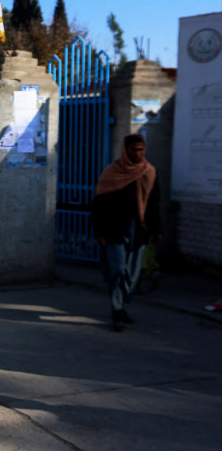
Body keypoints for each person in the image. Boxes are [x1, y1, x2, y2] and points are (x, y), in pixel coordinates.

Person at [91, 133, 162, 332]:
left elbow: (155, 203)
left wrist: (157, 229)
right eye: (134, 150)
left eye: (141, 150)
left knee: (131, 274)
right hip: (114, 230)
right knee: (118, 270)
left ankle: (121, 305)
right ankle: (116, 310)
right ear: (125, 150)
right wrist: (99, 232)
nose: (138, 154)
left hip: (138, 231)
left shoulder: (149, 172)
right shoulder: (111, 173)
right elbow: (99, 205)